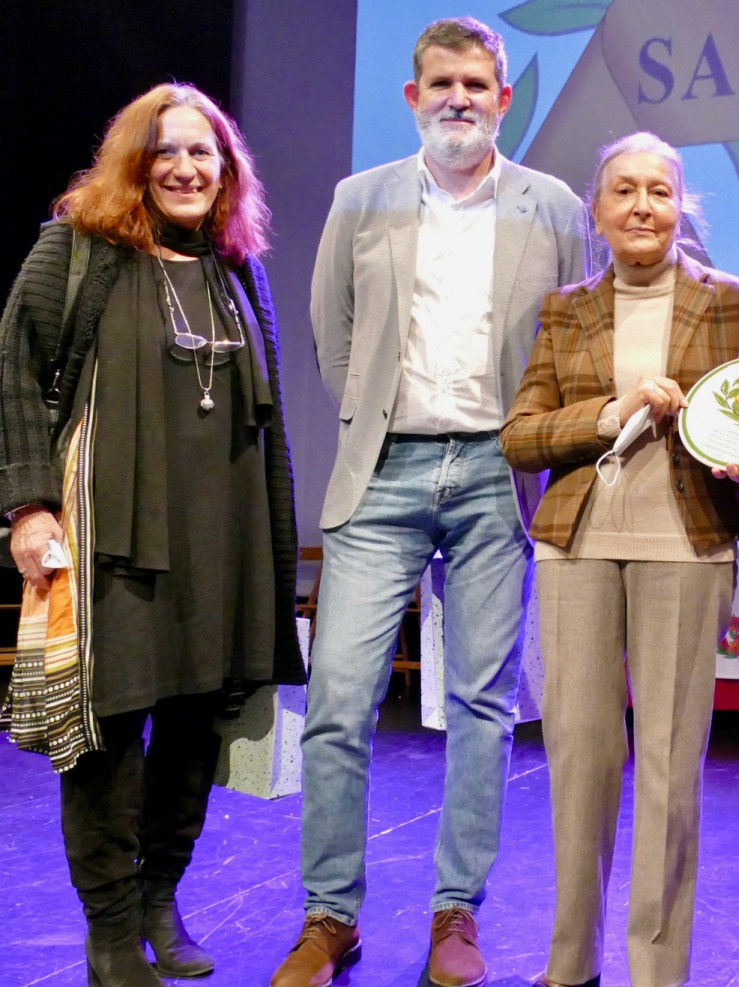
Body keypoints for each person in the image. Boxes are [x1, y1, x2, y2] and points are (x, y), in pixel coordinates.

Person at [269, 17, 589, 987]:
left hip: (498, 470)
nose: (458, 97)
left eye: (476, 84)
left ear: (501, 97)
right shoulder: (357, 200)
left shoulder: (553, 206)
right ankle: (330, 918)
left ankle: (458, 914)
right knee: (336, 701)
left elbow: (572, 341)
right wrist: (379, 424)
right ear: (411, 98)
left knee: (480, 706)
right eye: (440, 82)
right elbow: (332, 337)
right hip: (383, 473)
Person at [0, 83, 304, 986]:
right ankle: (108, 929)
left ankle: (161, 902)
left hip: (222, 535)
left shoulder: (234, 266)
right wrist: (27, 504)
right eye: (165, 151)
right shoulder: (79, 250)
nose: (184, 167)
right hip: (112, 537)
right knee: (103, 729)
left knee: (191, 730)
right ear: (133, 163)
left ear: (226, 171)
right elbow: (16, 371)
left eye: (203, 153)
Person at [500, 131, 739, 987]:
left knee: (669, 766)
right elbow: (522, 434)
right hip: (577, 547)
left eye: (659, 189)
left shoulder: (729, 300)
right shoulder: (563, 307)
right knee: (577, 757)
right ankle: (569, 966)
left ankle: (657, 972)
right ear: (598, 210)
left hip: (687, 547)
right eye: (624, 190)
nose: (642, 205)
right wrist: (608, 413)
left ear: (681, 205)